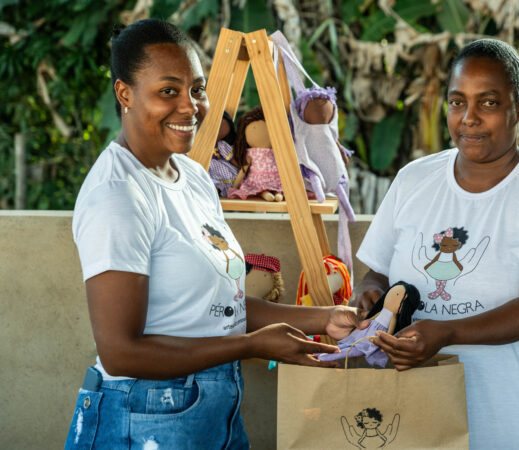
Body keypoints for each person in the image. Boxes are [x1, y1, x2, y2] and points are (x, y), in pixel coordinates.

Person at [65, 19, 364, 448]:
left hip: (211, 414)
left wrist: (325, 320)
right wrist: (249, 346)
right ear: (124, 94)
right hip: (144, 419)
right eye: (168, 90)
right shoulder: (118, 194)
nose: (190, 106)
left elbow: (221, 308)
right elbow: (121, 352)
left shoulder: (192, 176)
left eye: (198, 89)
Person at [353, 39, 519, 449]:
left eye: (489, 103)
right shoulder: (414, 178)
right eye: (457, 102)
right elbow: (376, 272)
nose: (469, 118)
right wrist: (369, 295)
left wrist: (446, 333)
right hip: (410, 419)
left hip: (507, 423)